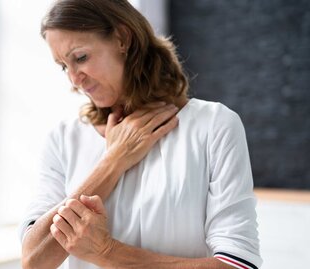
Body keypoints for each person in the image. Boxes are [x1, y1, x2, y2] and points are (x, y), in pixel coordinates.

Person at [19, 0, 262, 268]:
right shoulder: (63, 139)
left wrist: (105, 251)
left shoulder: (214, 126)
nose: (74, 79)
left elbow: (238, 264)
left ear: (123, 39)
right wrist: (112, 162)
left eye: (80, 57)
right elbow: (34, 261)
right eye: (64, 66)